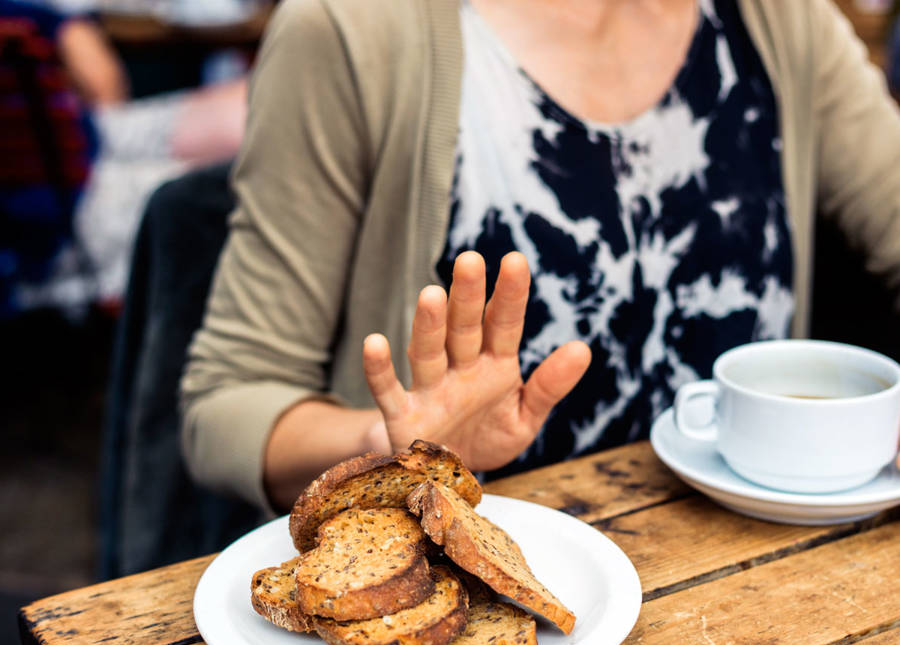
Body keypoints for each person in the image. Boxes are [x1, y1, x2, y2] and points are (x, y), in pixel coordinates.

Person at [180, 0, 900, 515]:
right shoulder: (351, 28)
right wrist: (386, 443)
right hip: (474, 626)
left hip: (758, 593)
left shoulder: (783, 20)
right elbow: (226, 405)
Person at [0, 0, 247, 311]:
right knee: (245, 185)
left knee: (256, 103)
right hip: (57, 226)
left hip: (84, 137)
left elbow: (105, 93)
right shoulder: (23, 19)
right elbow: (102, 82)